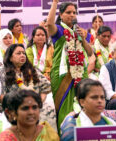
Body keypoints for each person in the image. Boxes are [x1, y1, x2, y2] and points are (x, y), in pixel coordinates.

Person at [47, 0, 93, 129]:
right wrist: (55, 2)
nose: (72, 15)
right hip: (62, 74)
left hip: (80, 72)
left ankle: (84, 133)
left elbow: (89, 52)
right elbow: (49, 23)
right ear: (61, 15)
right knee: (63, 107)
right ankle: (65, 134)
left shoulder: (80, 31)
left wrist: (82, 38)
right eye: (68, 12)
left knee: (83, 103)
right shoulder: (59, 30)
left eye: (74, 12)